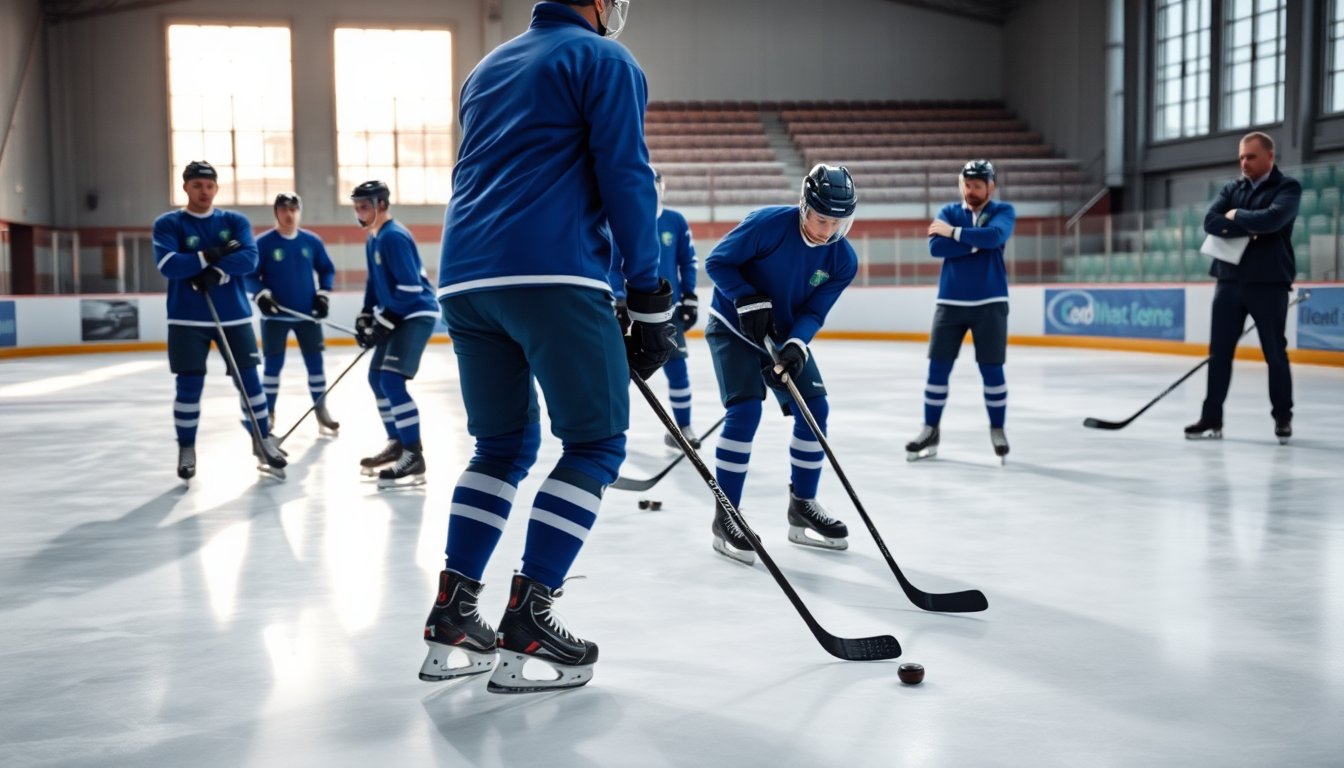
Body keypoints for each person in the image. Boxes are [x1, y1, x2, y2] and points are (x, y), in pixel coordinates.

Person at [424, 0, 674, 694]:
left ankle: (453, 614)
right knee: (595, 445)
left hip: (466, 277)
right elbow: (626, 175)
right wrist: (649, 292)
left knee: (500, 448)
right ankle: (530, 618)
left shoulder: (487, 66)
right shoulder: (604, 58)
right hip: (554, 272)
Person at [702, 164, 858, 565]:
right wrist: (746, 296)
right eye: (821, 218)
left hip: (782, 339)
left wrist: (795, 345)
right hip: (733, 330)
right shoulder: (768, 224)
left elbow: (815, 311)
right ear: (805, 207)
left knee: (816, 409)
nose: (827, 230)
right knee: (745, 411)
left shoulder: (842, 259)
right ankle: (727, 516)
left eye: (837, 221)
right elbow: (717, 262)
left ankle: (802, 505)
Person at [153, 160, 285, 480]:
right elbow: (169, 264)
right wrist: (212, 254)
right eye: (197, 185)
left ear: (216, 188)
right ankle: (187, 448)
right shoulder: (169, 224)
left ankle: (262, 439)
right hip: (186, 319)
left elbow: (249, 258)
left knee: (250, 382)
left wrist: (216, 271)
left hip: (234, 317)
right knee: (189, 386)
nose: (204, 191)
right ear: (185, 187)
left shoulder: (235, 221)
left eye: (209, 186)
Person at [1186, 131, 1300, 443]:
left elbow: (1274, 220)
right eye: (1241, 157)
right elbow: (1210, 221)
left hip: (1269, 283)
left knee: (1275, 353)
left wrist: (1236, 217)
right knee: (1218, 354)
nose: (1244, 163)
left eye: (1250, 157)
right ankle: (1211, 418)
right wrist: (1250, 225)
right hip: (1229, 281)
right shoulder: (1231, 188)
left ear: (1269, 157)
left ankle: (1282, 417)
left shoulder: (1287, 187)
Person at [905, 159, 1017, 464]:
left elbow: (995, 237)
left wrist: (954, 233)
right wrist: (975, 243)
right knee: (937, 370)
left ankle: (998, 428)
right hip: (949, 303)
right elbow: (935, 249)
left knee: (991, 370)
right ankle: (930, 430)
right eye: (967, 185)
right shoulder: (948, 211)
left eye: (977, 185)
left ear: (990, 186)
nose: (971, 191)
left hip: (990, 302)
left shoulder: (1003, 212)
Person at [349, 180, 440, 488]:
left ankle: (413, 454)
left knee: (391, 379)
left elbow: (412, 288)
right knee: (376, 379)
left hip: (415, 313)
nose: (359, 212)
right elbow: (375, 284)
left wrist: (385, 320)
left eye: (365, 206)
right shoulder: (373, 238)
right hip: (398, 314)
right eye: (357, 207)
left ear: (382, 205)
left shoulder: (394, 237)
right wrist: (366, 314)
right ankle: (397, 442)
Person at [248, 193, 340, 436]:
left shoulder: (312, 241)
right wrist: (260, 294)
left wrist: (323, 293)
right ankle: (268, 412)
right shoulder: (263, 243)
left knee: (316, 365)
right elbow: (249, 275)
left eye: (293, 209)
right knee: (272, 367)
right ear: (276, 213)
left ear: (299, 211)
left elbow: (327, 269)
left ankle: (321, 410)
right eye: (283, 209)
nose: (288, 214)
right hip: (275, 318)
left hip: (307, 317)